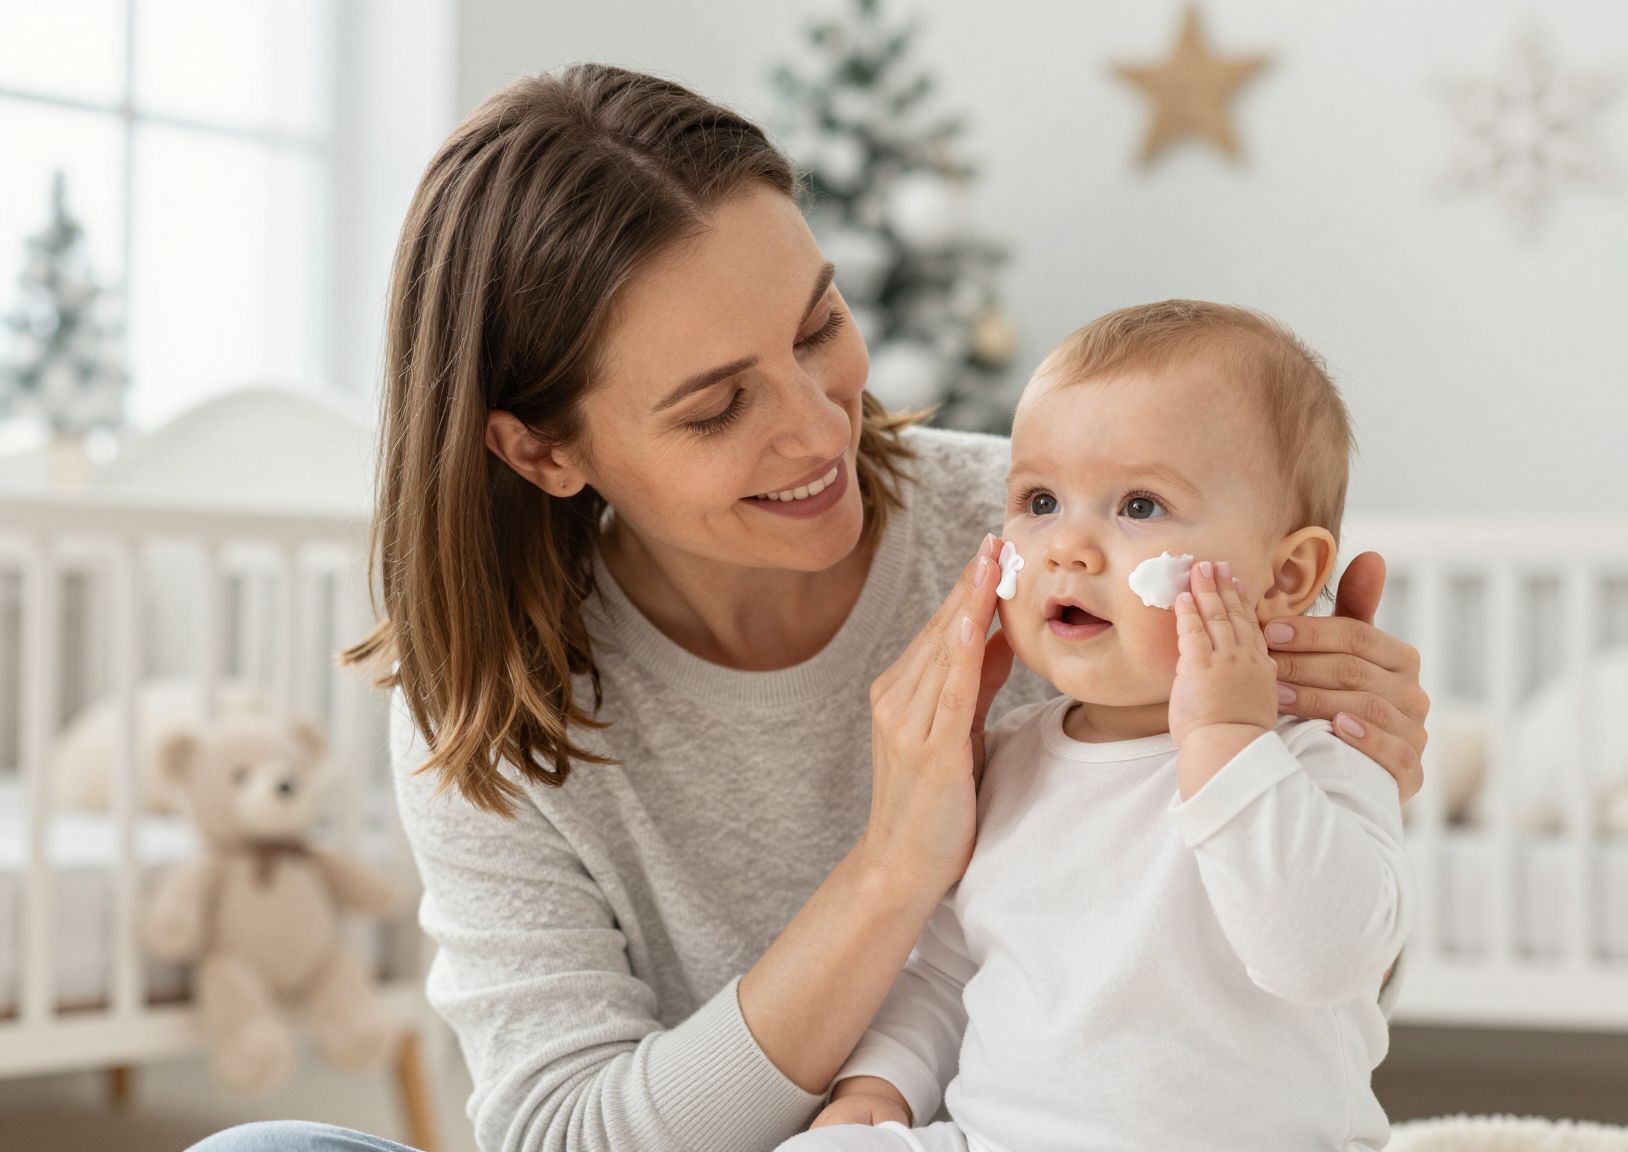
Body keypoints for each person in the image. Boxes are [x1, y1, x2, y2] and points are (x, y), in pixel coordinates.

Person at [189, 66, 1430, 1152]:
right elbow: (559, 1136)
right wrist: (894, 870)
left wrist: (1317, 771)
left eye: (818, 324)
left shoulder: (1054, 550)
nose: (818, 424)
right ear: (540, 452)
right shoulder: (490, 695)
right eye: (715, 405)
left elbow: (1277, 1014)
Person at [784, 301, 1409, 1152]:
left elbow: (1327, 960)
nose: (1067, 548)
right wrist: (878, 1085)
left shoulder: (1317, 754)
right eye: (1039, 499)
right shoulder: (1003, 763)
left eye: (1141, 507)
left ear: (1285, 576)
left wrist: (1228, 738)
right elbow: (945, 972)